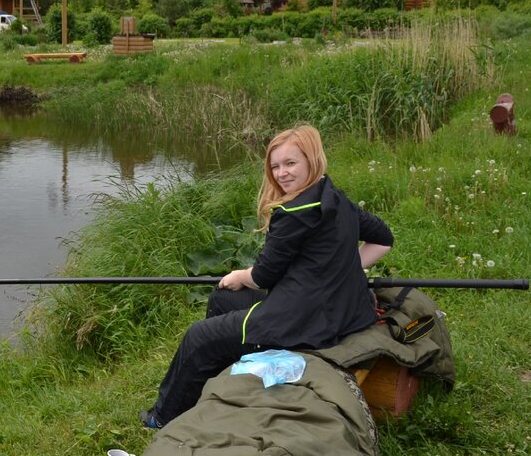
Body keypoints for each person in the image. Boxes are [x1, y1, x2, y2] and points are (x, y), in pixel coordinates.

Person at [141, 125, 393, 428]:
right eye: (275, 166)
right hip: (344, 311)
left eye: (290, 163)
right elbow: (383, 239)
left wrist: (239, 274)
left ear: (311, 160)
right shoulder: (335, 197)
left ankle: (163, 417)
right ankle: (223, 380)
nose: (281, 173)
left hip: (305, 322)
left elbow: (263, 276)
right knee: (223, 298)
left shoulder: (295, 211)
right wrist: (338, 271)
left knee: (199, 337)